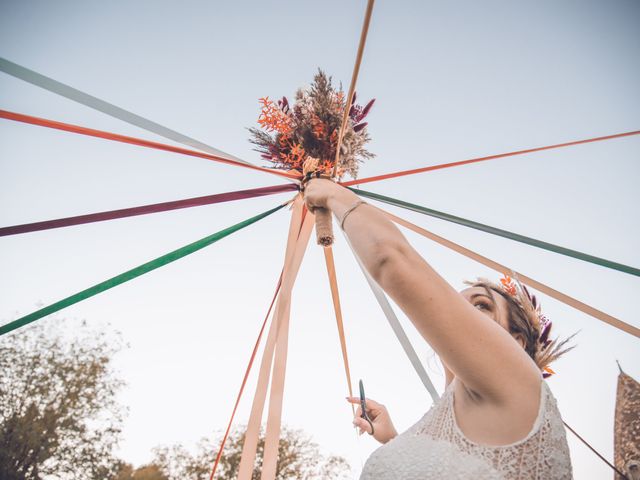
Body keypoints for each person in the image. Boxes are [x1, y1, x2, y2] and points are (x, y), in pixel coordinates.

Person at [302, 178, 574, 479]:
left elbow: (390, 258)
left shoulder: (521, 383)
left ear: (518, 341)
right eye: (457, 304)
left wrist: (333, 195)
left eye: (481, 305)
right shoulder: (448, 412)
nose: (460, 313)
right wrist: (396, 442)